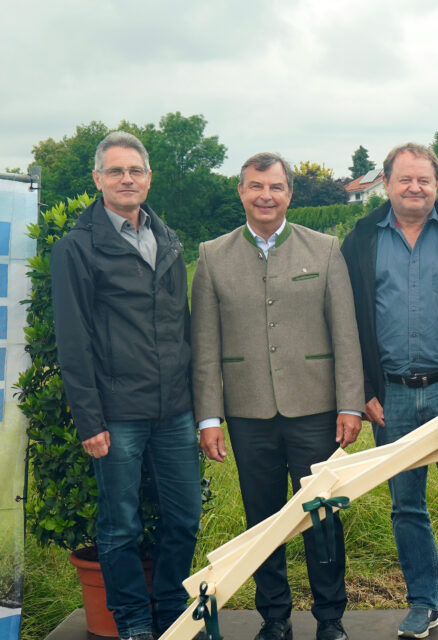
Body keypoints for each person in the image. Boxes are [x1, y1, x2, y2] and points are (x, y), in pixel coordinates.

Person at [192, 152, 364, 640]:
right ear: (241, 191)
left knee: (322, 516)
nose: (265, 196)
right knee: (263, 520)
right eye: (255, 186)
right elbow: (205, 346)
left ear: (290, 192)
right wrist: (209, 417)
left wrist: (350, 403)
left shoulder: (325, 249)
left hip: (316, 408)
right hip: (248, 413)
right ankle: (275, 617)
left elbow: (345, 333)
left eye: (275, 187)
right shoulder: (211, 255)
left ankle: (330, 618)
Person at [341, 143, 438, 640]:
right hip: (388, 395)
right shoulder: (361, 239)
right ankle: (422, 604)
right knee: (406, 505)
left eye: (424, 180)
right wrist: (363, 389)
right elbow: (347, 322)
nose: (415, 188)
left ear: (437, 184)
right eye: (405, 179)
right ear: (386, 183)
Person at [51, 131, 202, 640]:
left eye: (135, 171)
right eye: (115, 171)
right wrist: (89, 419)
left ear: (148, 178)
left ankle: (170, 610)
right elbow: (74, 342)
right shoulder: (77, 247)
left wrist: (199, 405)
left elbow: (182, 326)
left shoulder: (169, 240)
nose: (126, 179)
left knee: (184, 517)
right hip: (117, 412)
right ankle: (134, 620)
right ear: (98, 180)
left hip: (175, 409)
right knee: (120, 526)